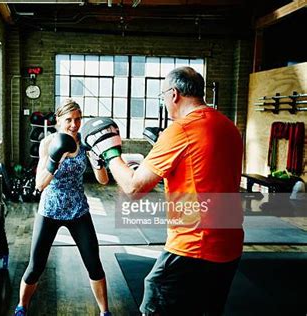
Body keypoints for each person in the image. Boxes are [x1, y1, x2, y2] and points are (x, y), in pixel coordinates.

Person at [82, 66, 244, 315]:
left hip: (194, 246)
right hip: (229, 245)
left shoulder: (182, 130)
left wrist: (109, 152)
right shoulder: (228, 127)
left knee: (155, 299)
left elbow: (133, 187)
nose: (165, 102)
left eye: (163, 96)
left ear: (174, 94)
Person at [14, 99, 112, 316]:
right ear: (58, 120)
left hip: (78, 210)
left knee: (94, 263)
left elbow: (103, 181)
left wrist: (99, 161)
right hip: (50, 210)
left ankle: (105, 312)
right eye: (68, 120)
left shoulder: (86, 143)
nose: (74, 125)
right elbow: (40, 184)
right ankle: (22, 306)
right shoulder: (48, 143)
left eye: (78, 119)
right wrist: (54, 158)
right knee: (36, 266)